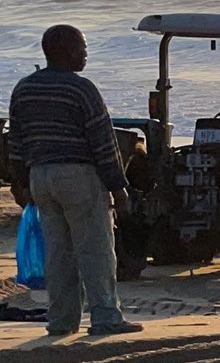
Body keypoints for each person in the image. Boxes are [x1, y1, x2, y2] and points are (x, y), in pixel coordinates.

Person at [9, 24, 141, 337]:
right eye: (81, 47)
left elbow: (16, 140)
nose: (85, 53)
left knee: (57, 254)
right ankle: (106, 316)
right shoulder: (81, 89)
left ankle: (61, 321)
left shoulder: (24, 88)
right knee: (95, 250)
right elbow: (103, 142)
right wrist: (117, 186)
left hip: (40, 176)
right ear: (67, 51)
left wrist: (19, 182)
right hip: (78, 175)